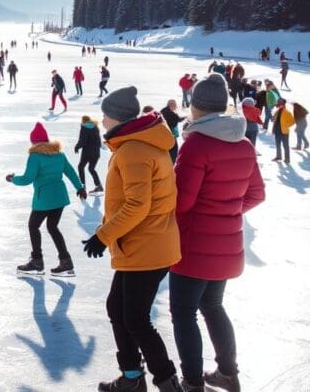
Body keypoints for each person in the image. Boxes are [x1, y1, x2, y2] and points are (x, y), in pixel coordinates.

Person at [81, 86, 182, 392]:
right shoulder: (137, 144)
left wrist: (103, 236)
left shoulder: (134, 149)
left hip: (146, 246)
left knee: (135, 319)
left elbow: (138, 205)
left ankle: (166, 381)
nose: (103, 121)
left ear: (117, 118)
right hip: (142, 244)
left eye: (105, 116)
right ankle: (132, 377)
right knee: (117, 307)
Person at [170, 75, 265, 392]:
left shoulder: (196, 144)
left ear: (195, 107)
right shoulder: (244, 143)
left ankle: (193, 383)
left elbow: (181, 202)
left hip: (194, 247)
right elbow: (256, 194)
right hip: (226, 244)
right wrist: (225, 214)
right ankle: (228, 373)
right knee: (212, 306)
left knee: (184, 313)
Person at [6, 122, 86, 277]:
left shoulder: (35, 156)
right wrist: (80, 187)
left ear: (34, 142)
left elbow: (27, 179)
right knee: (52, 227)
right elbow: (70, 172)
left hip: (44, 199)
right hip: (60, 198)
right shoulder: (59, 154)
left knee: (33, 226)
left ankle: (37, 261)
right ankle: (66, 261)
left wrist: (13, 179)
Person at [74, 115, 103, 194]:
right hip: (96, 152)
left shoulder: (84, 128)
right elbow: (99, 141)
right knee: (91, 168)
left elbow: (83, 140)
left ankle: (82, 186)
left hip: (87, 152)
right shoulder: (96, 127)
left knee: (81, 167)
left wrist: (77, 147)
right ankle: (99, 185)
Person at [271, 98, 294, 164]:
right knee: (277, 144)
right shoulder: (277, 111)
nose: (278, 104)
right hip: (277, 131)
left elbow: (292, 121)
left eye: (280, 103)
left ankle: (287, 158)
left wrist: (286, 125)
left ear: (283, 104)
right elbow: (274, 119)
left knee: (285, 145)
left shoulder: (287, 112)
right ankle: (278, 156)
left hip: (284, 132)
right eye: (278, 103)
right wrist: (273, 118)